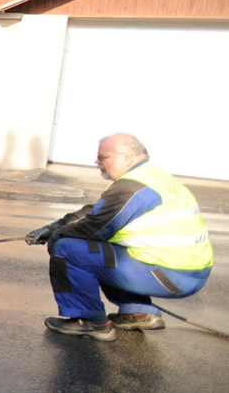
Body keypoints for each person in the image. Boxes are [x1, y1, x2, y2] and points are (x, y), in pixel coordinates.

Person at [25, 133, 213, 341]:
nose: (97, 162)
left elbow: (97, 227)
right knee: (104, 253)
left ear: (126, 157)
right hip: (185, 271)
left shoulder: (133, 186)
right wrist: (53, 227)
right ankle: (138, 312)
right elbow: (97, 211)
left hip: (169, 274)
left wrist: (56, 236)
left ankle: (89, 321)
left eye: (102, 157)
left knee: (68, 249)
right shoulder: (151, 176)